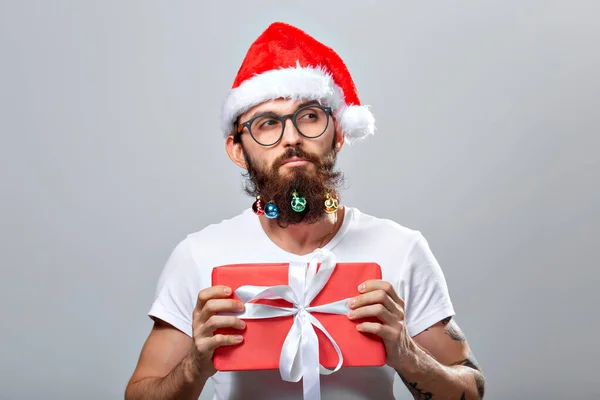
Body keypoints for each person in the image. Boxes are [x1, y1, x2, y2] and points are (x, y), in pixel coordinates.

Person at [125, 21, 486, 400]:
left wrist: (408, 355)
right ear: (237, 149)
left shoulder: (401, 248)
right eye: (267, 124)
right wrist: (194, 366)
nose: (292, 137)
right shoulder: (198, 255)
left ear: (340, 132)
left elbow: (471, 389)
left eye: (309, 116)